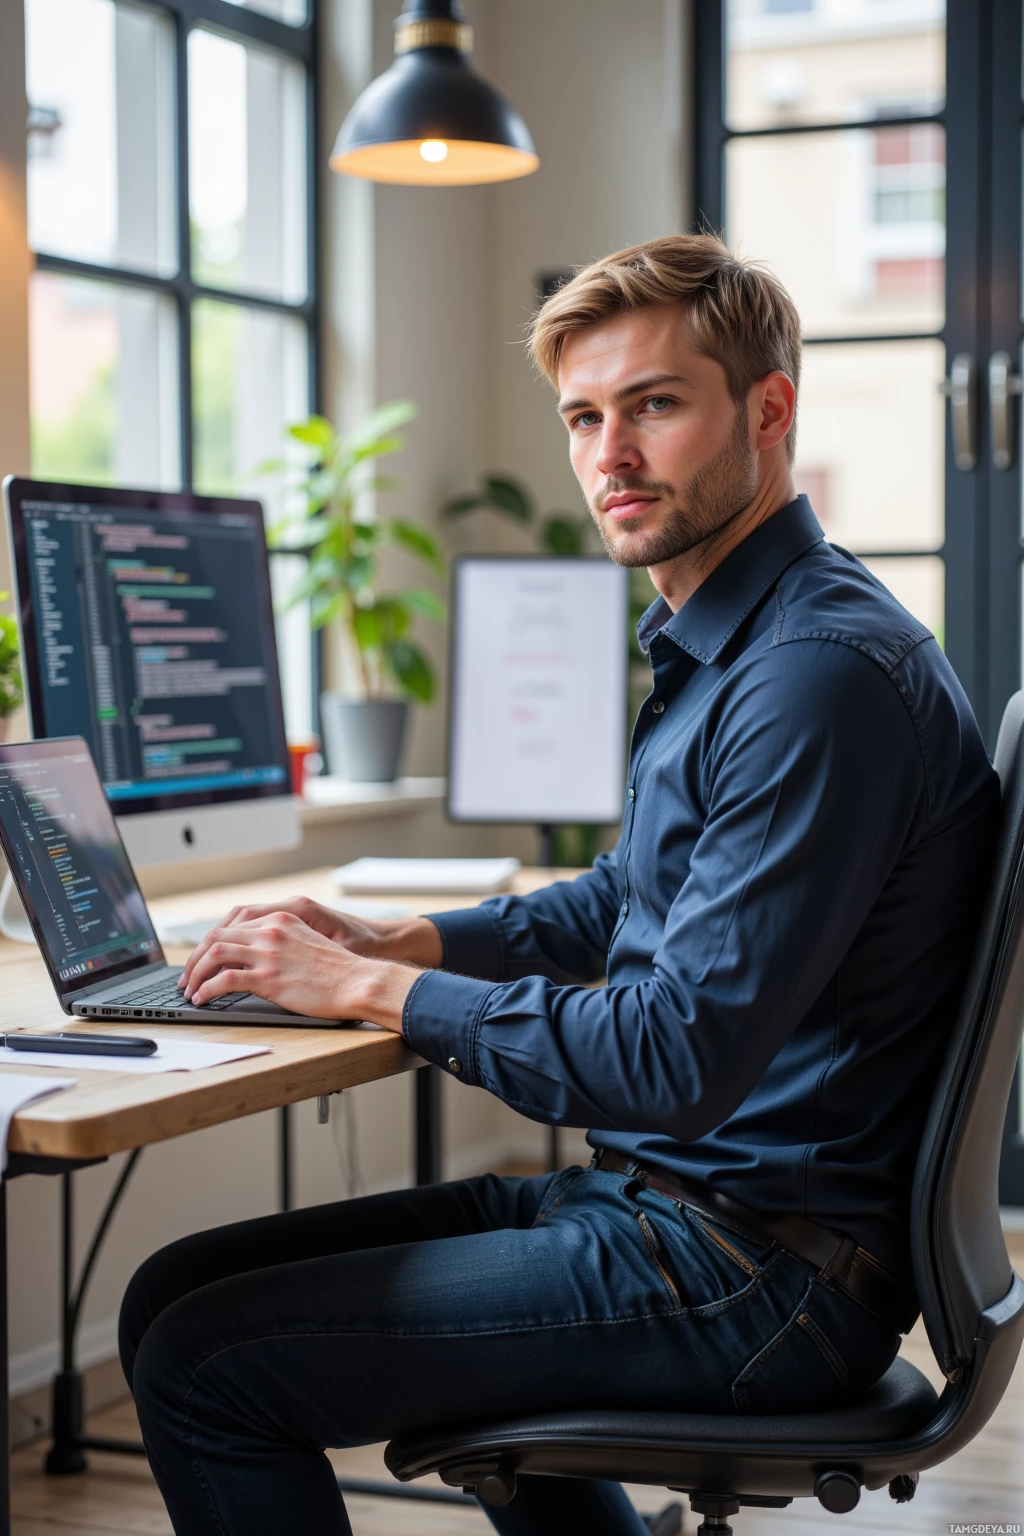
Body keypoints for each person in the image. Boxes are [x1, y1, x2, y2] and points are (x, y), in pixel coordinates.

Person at [119, 235, 999, 1536]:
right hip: (679, 1209)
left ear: (769, 411)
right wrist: (399, 933)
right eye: (585, 417)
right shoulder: (740, 641)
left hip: (751, 1270)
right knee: (166, 1296)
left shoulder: (816, 677)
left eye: (654, 405)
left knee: (206, 1362)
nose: (610, 456)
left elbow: (671, 1056)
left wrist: (368, 987)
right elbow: (617, 907)